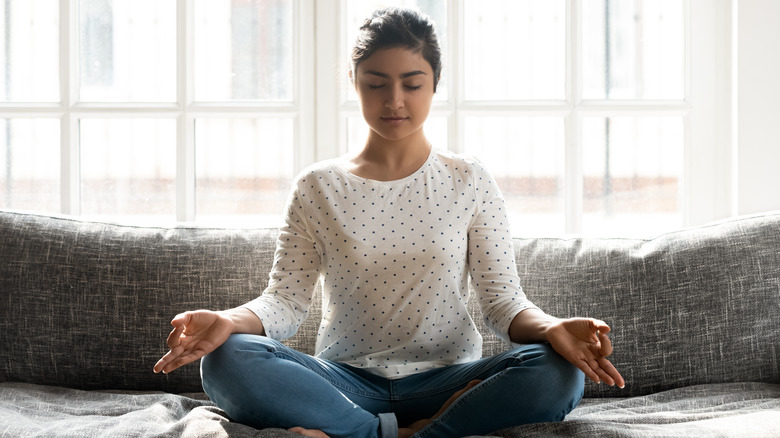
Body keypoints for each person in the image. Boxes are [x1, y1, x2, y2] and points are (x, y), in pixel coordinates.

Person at [154, 7, 624, 438]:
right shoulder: (317, 186)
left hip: (451, 378)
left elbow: (503, 302)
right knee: (227, 359)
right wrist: (227, 320)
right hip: (343, 380)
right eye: (376, 83)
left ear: (435, 83)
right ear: (354, 83)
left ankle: (360, 433)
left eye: (412, 83)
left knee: (557, 369)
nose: (394, 100)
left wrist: (551, 328)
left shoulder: (469, 180)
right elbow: (285, 302)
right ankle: (406, 433)